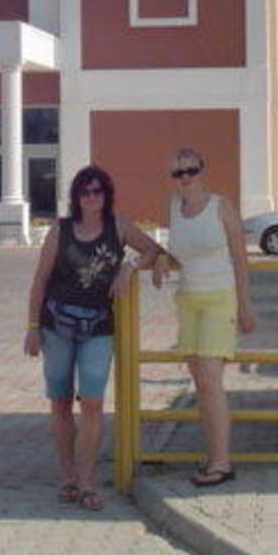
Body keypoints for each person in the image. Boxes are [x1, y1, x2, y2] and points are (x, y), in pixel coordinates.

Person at [24, 165, 167, 511]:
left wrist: (130, 267)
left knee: (92, 402)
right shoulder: (60, 230)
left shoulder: (119, 227)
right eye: (85, 192)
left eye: (97, 191)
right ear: (76, 197)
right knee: (60, 401)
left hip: (98, 328)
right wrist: (32, 327)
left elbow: (153, 249)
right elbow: (40, 279)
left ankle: (87, 482)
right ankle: (68, 477)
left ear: (107, 195)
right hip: (56, 326)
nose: (91, 197)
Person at [164, 147, 255, 487]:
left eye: (191, 170)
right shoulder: (174, 207)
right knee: (200, 384)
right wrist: (157, 260)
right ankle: (212, 455)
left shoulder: (221, 206)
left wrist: (244, 305)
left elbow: (240, 256)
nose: (185, 177)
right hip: (188, 299)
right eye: (178, 172)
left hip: (220, 298)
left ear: (202, 170)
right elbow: (176, 253)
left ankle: (222, 463)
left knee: (210, 379)